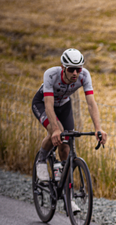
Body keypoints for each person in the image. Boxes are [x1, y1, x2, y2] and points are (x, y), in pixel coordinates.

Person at [32, 48, 107, 183]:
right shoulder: (51, 74)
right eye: (71, 69)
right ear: (63, 68)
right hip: (43, 103)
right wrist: (55, 129)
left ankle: (66, 195)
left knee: (66, 145)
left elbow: (91, 103)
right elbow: (49, 105)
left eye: (78, 69)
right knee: (58, 131)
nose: (75, 73)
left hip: (64, 104)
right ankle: (41, 160)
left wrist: (98, 128)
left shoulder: (84, 75)